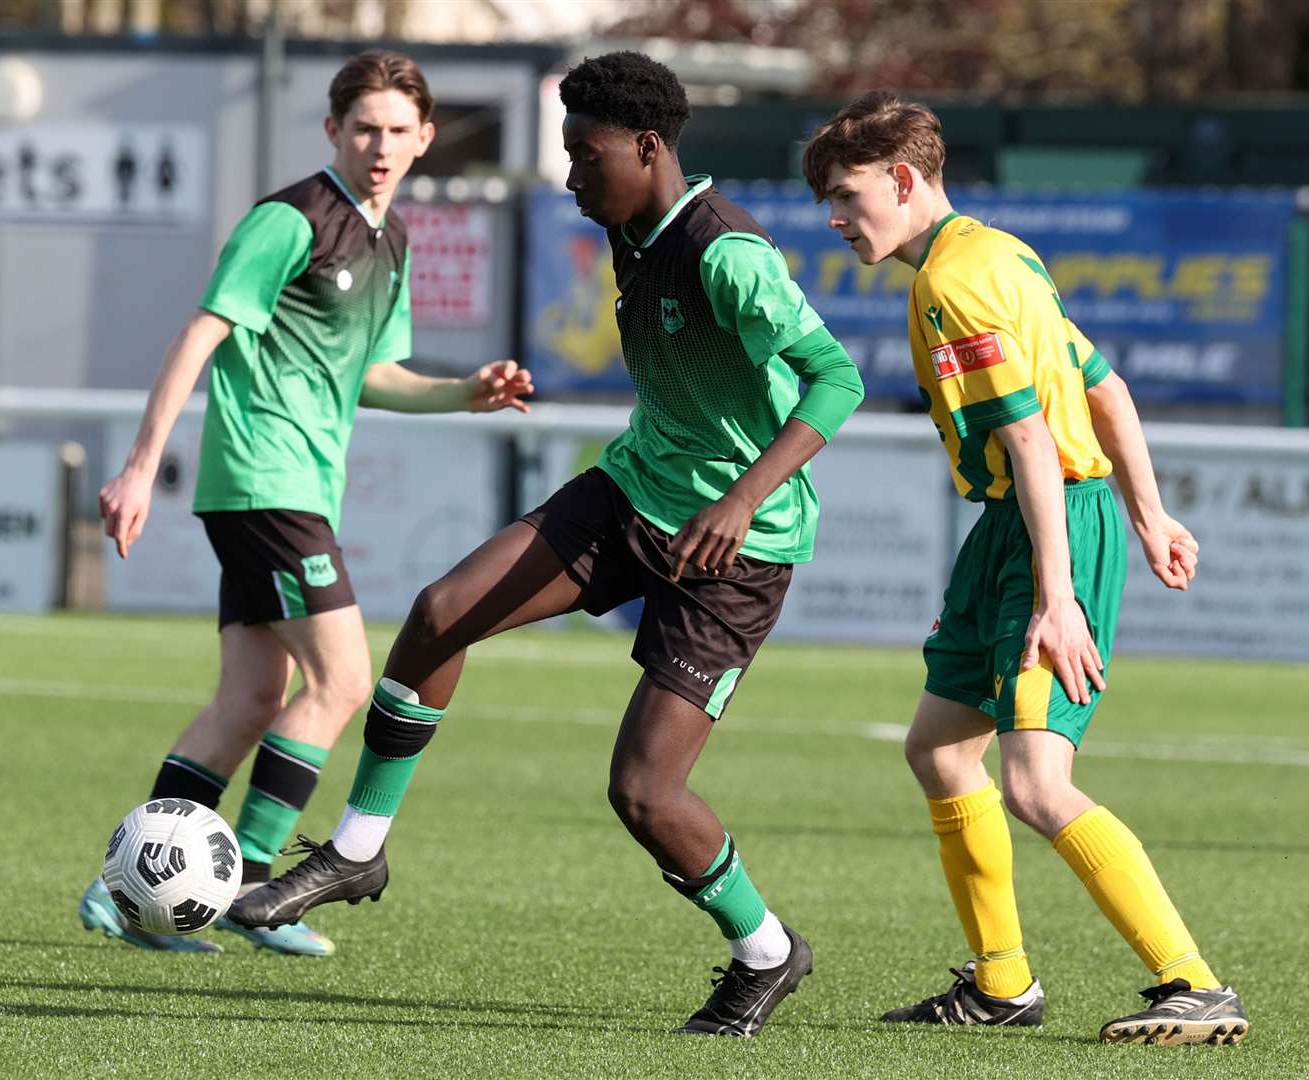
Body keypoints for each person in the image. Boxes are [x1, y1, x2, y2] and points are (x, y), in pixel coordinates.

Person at [229, 51, 865, 1036]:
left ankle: (768, 951)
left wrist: (738, 502)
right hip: (631, 490)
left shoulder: (723, 251)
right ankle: (358, 848)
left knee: (644, 793)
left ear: (647, 149)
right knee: (441, 614)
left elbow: (835, 380)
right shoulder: (628, 227)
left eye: (584, 152)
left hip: (734, 546)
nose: (569, 174)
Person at [800, 92, 1249, 1046]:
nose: (834, 219)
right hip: (1020, 526)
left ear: (905, 179)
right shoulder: (1002, 252)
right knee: (937, 748)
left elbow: (1036, 438)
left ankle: (1196, 984)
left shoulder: (951, 286)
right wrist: (1152, 513)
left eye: (845, 196)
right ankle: (1001, 985)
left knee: (1038, 784)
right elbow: (1106, 387)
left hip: (1049, 531)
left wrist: (1059, 598)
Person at [79, 50, 534, 957]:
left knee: (253, 695)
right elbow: (201, 330)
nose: (380, 145)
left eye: (398, 131)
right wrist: (139, 464)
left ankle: (119, 894)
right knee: (345, 681)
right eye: (364, 127)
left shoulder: (390, 240)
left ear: (425, 140)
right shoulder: (289, 221)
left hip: (288, 486)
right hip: (262, 479)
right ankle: (248, 884)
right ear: (332, 130)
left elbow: (374, 375)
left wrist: (463, 392)